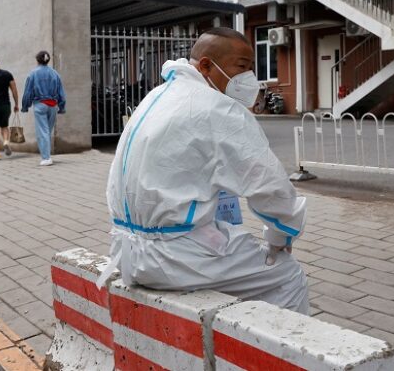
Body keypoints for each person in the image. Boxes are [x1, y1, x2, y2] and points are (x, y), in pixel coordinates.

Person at [100, 27, 309, 314]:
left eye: (251, 68)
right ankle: (277, 354)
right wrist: (281, 237)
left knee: (229, 241)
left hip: (125, 251)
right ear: (208, 66)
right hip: (175, 258)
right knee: (286, 275)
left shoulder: (156, 97)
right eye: (241, 67)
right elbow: (271, 189)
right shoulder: (217, 108)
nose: (248, 78)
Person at [21, 50, 66, 166]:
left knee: (43, 131)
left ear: (37, 60)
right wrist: (62, 106)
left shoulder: (33, 74)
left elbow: (27, 92)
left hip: (40, 105)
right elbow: (61, 93)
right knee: (47, 131)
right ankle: (47, 155)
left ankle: (46, 158)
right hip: (53, 105)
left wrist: (25, 106)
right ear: (48, 60)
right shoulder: (55, 74)